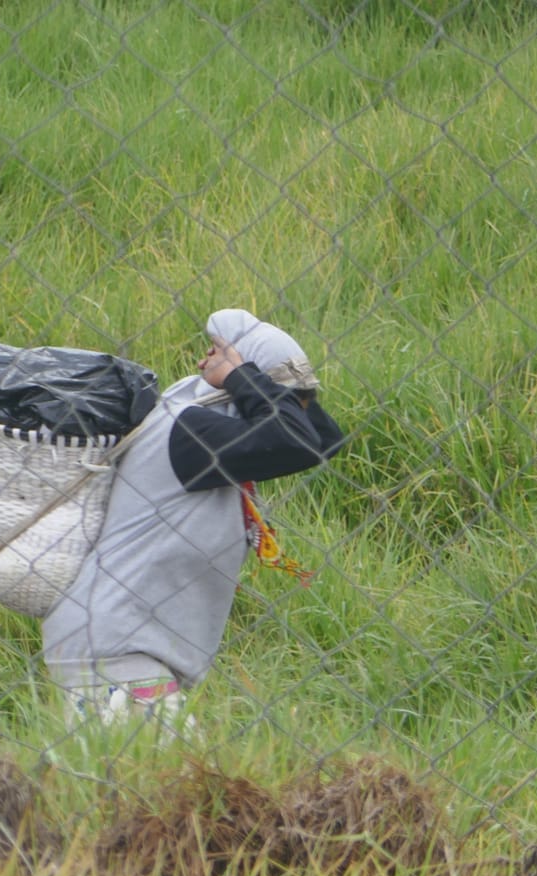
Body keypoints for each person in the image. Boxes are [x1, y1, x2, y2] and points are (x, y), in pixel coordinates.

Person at [41, 309, 345, 736]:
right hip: (116, 652)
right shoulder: (189, 429)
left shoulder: (202, 424)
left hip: (117, 646)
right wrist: (244, 375)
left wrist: (280, 382)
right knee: (172, 796)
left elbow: (321, 441)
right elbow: (291, 439)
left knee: (161, 795)